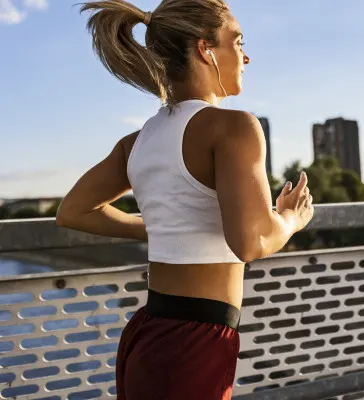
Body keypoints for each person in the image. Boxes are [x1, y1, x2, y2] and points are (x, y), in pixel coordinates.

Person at [55, 0, 314, 398]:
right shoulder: (233, 126)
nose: (246, 55)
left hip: (148, 331)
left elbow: (73, 212)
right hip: (193, 346)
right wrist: (291, 219)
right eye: (237, 41)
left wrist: (162, 227)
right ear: (204, 49)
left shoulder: (136, 141)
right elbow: (252, 242)